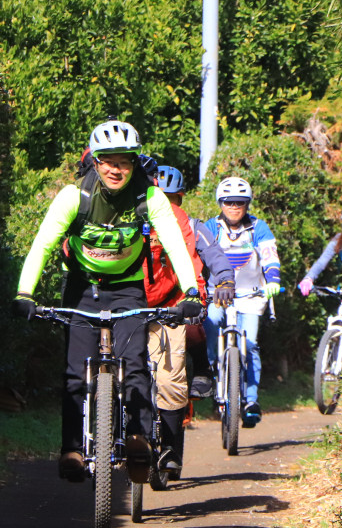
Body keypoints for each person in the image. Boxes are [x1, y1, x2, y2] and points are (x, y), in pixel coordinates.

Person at [14, 120, 202, 482]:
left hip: (128, 288)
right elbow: (43, 244)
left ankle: (137, 439)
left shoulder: (149, 198)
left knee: (134, 364)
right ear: (96, 162)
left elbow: (176, 245)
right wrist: (25, 292)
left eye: (125, 162)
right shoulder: (75, 196)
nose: (117, 169)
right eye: (108, 161)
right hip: (83, 288)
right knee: (73, 373)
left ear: (135, 164)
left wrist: (191, 292)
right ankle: (72, 449)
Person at [144, 165, 235, 475]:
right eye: (163, 198)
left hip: (182, 300)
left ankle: (203, 369)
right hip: (140, 304)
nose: (168, 205)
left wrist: (223, 279)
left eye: (174, 199)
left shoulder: (193, 226)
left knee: (195, 328)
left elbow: (216, 255)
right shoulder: (142, 222)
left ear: (181, 200)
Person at [202, 177, 281, 427]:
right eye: (228, 202)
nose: (234, 207)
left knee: (252, 343)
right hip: (218, 294)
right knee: (211, 324)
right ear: (220, 203)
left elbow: (269, 255)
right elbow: (199, 258)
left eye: (240, 202)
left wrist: (273, 279)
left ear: (247, 204)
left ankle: (251, 400)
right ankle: (216, 372)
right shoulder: (210, 227)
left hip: (251, 295)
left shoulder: (258, 227)